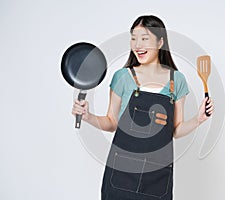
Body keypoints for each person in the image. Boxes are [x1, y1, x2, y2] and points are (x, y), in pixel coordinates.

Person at [72, 15, 214, 200]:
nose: (138, 45)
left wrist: (198, 119)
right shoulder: (122, 76)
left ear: (160, 41)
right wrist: (87, 115)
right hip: (122, 172)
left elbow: (176, 130)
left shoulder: (176, 81)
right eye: (133, 38)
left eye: (144, 38)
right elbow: (111, 122)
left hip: (157, 174)